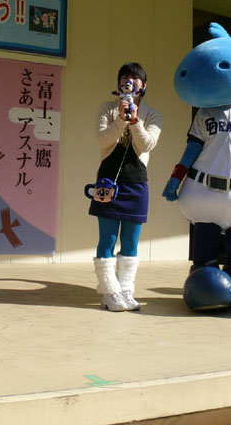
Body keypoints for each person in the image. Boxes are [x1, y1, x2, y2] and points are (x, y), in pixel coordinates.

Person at [88, 62, 162, 311]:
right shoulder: (107, 108)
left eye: (134, 78)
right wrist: (120, 118)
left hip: (136, 183)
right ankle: (109, 292)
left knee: (130, 241)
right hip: (108, 181)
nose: (129, 81)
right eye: (124, 77)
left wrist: (135, 120)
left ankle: (125, 289)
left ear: (144, 85)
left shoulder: (153, 114)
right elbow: (102, 140)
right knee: (107, 238)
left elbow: (147, 144)